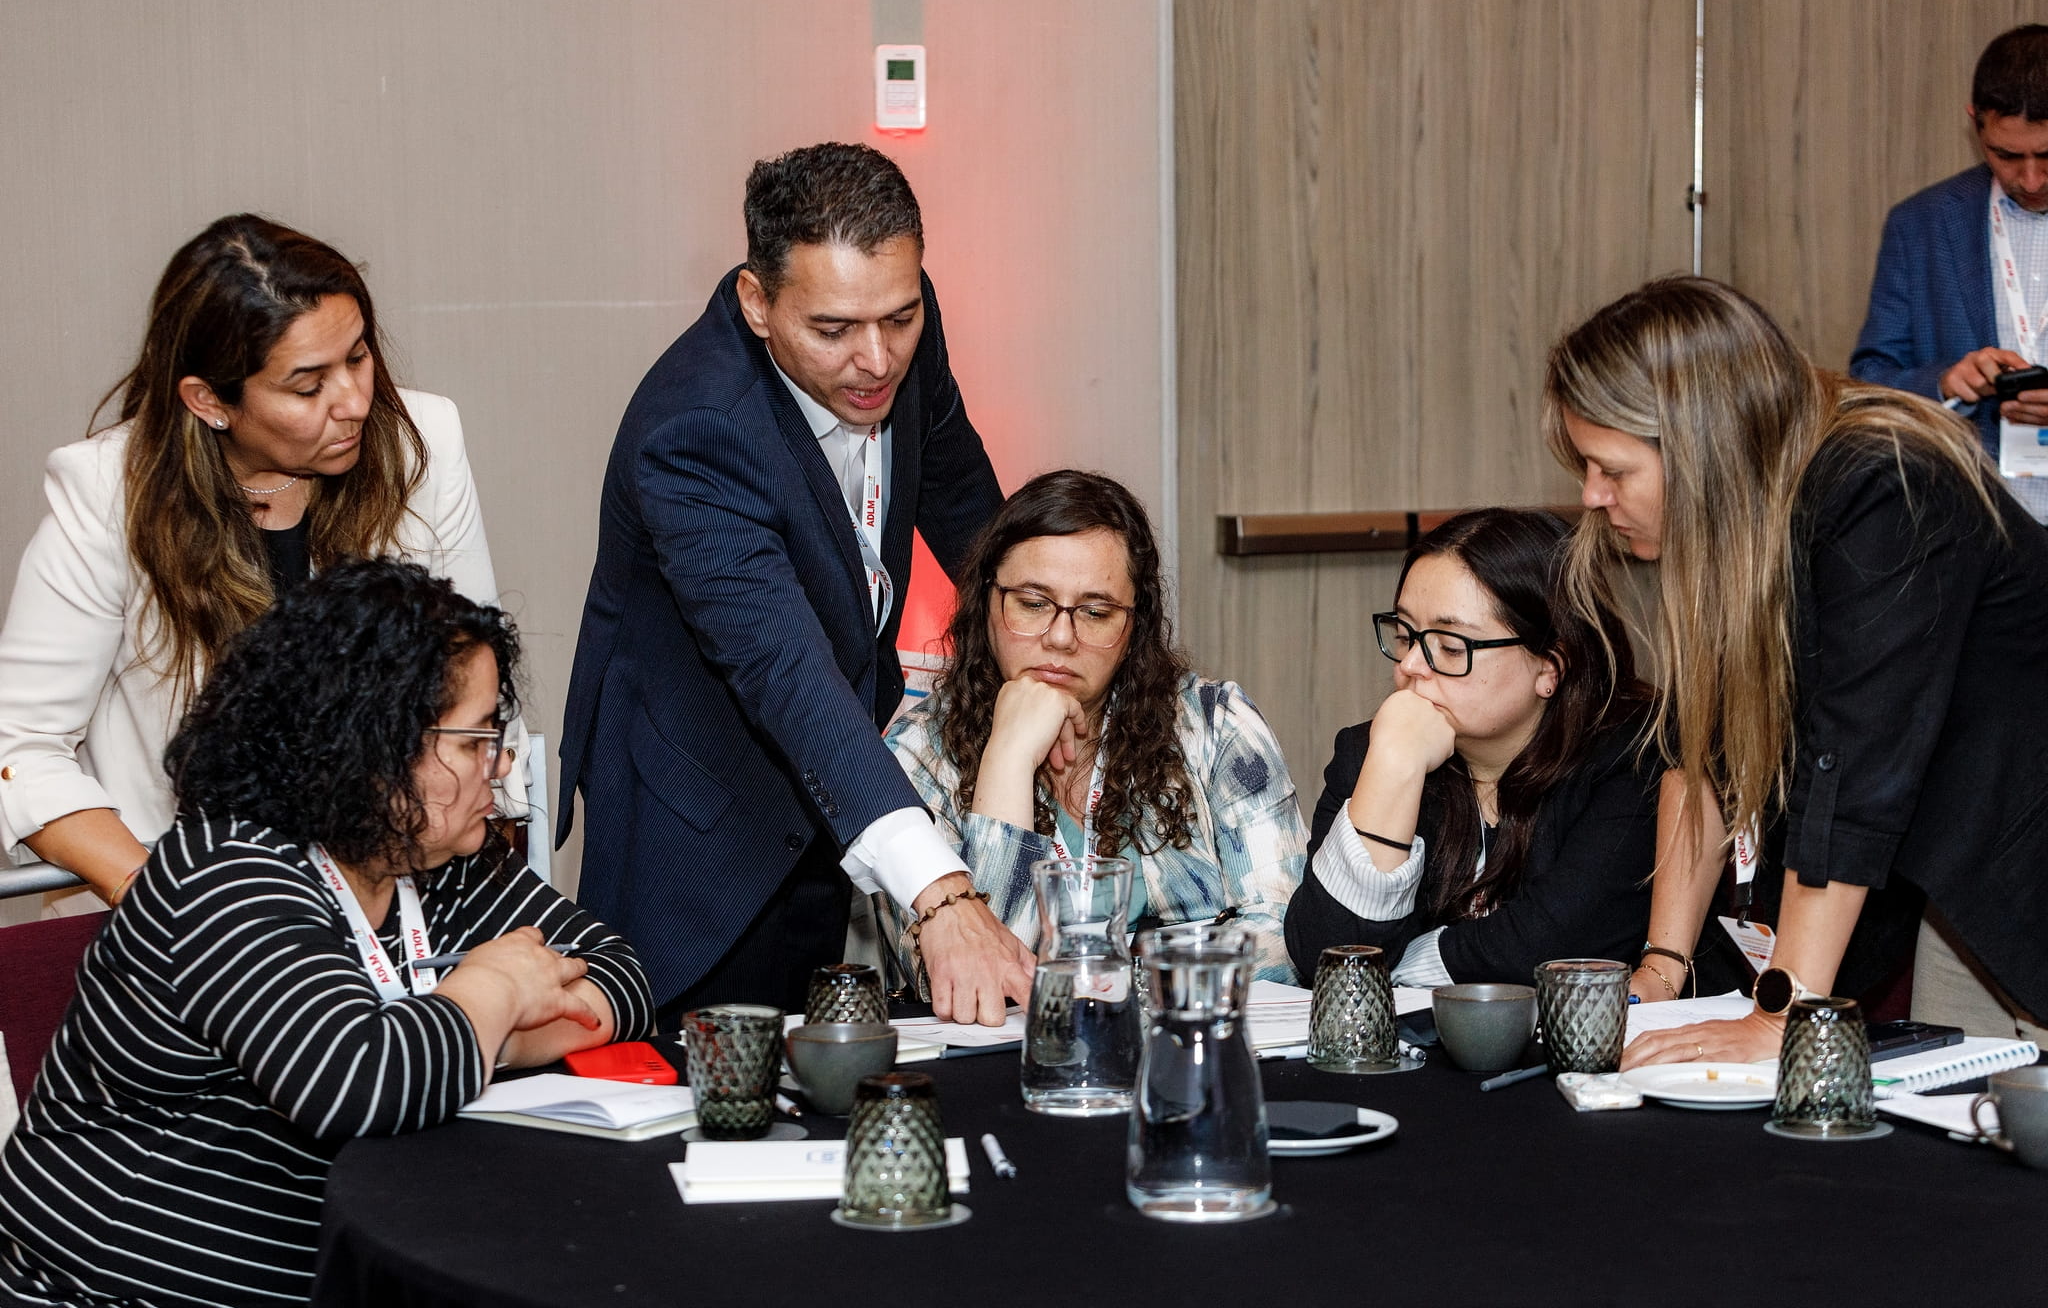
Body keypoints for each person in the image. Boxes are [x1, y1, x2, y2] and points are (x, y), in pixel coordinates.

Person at [0, 559, 652, 1308]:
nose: (498, 767)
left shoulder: (448, 860)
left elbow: (620, 980)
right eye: (474, 739)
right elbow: (359, 1084)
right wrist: (495, 991)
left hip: (342, 1287)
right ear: (377, 748)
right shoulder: (224, 874)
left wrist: (476, 1037)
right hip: (125, 1301)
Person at [560, 142, 1025, 1024]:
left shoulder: (894, 326)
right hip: (700, 817)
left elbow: (977, 520)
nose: (877, 359)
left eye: (899, 316)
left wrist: (1046, 650)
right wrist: (941, 895)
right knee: (699, 1095)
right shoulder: (696, 429)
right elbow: (784, 668)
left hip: (829, 791)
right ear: (757, 303)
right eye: (834, 331)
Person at [1544, 276, 2048, 1068]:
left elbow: (1852, 774)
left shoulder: (1885, 482)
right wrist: (1661, 969)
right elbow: (1696, 749)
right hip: (1959, 888)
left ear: (1697, 441)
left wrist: (1782, 1015)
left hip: (2019, 863)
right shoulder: (1742, 517)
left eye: (1611, 468)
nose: (1592, 496)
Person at [0, 214, 510, 910]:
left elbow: (468, 686)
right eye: (308, 387)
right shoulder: (108, 493)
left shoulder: (420, 444)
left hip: (391, 900)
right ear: (209, 400)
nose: (355, 403)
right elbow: (19, 747)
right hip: (192, 915)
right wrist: (163, 901)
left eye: (358, 357)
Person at [883, 471, 1304, 982]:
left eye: (1096, 611)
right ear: (987, 602)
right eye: (1033, 604)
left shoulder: (1215, 725)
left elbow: (1283, 936)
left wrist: (1092, 976)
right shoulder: (912, 756)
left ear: (1134, 624)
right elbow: (981, 981)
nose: (1061, 637)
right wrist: (1008, 758)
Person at [1282, 509, 1670, 987]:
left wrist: (1392, 968)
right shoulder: (1376, 752)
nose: (1410, 665)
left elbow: (1553, 945)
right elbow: (1322, 954)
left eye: (1449, 646)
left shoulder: (1631, 755)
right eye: (1404, 636)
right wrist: (1394, 768)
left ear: (1550, 667)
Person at [1850, 23, 2048, 523]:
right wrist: (1946, 383)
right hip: (1972, 527)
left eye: (2047, 156)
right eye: (2006, 155)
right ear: (1975, 124)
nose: (2030, 179)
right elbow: (1869, 381)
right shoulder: (1922, 224)